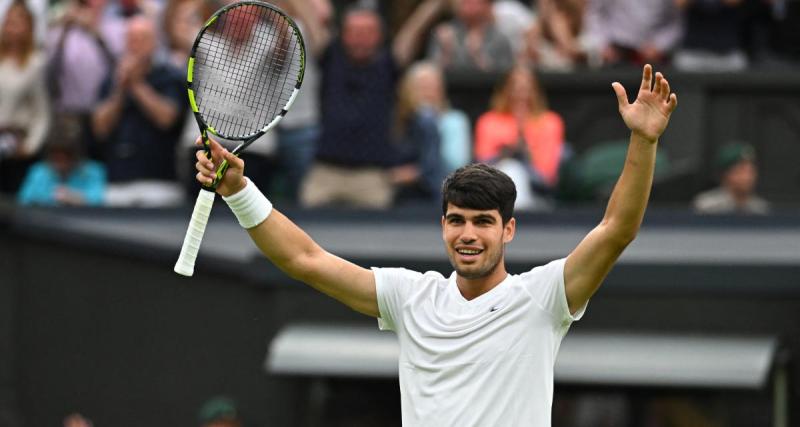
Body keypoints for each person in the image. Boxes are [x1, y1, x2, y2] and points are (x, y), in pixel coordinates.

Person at [193, 64, 677, 426]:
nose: (468, 234)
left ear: (508, 230)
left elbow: (616, 230)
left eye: (484, 222)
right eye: (457, 221)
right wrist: (239, 191)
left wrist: (643, 142)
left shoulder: (543, 297)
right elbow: (305, 260)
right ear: (442, 225)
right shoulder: (411, 297)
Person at [300, 1, 446, 209]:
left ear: (380, 35)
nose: (360, 37)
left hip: (372, 177)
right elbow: (309, 19)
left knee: (377, 236)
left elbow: (414, 29)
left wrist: (434, 5)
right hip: (325, 172)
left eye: (368, 31)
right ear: (343, 34)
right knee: (302, 229)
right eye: (354, 31)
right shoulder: (329, 57)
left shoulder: (389, 65)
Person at [92, 15, 186, 207]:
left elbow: (166, 118)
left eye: (142, 39)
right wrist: (121, 89)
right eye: (130, 39)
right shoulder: (111, 80)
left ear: (154, 43)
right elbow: (100, 127)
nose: (135, 45)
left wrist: (136, 85)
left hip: (160, 183)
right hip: (117, 182)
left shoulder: (170, 77)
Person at [474, 65, 566, 210]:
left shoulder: (550, 122)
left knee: (515, 169)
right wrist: (507, 153)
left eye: (527, 88)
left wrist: (525, 156)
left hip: (537, 193)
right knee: (511, 168)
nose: (521, 94)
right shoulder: (488, 121)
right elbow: (482, 168)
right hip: (493, 192)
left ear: (536, 92)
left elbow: (547, 177)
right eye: (515, 88)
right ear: (505, 90)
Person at [392, 61, 471, 202]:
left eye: (432, 86)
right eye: (421, 87)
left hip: (442, 188)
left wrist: (418, 172)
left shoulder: (454, 120)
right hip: (402, 191)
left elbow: (457, 165)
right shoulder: (400, 122)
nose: (427, 92)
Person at [0, 0, 50, 194]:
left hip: (16, 143)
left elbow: (41, 111)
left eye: (19, 23)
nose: (13, 28)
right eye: (10, 22)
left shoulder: (35, 63)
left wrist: (31, 145)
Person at [17, 115, 106, 206]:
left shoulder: (93, 171)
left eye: (67, 155)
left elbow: (100, 199)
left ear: (77, 155)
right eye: (56, 157)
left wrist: (75, 197)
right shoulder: (38, 172)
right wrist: (50, 198)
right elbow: (24, 200)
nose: (61, 162)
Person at [584, 0, 682, 67]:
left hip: (653, 59)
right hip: (615, 54)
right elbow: (594, 15)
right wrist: (601, 45)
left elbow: (674, 22)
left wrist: (659, 45)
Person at [427, 0, 515, 72]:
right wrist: (446, 53)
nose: (467, 3)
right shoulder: (444, 34)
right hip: (450, 90)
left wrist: (479, 56)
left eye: (473, 2)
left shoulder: (500, 39)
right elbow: (431, 74)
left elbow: (506, 79)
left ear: (487, 6)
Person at [692, 143, 769, 215]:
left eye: (750, 171)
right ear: (726, 174)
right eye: (741, 171)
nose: (747, 177)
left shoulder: (760, 208)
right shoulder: (707, 206)